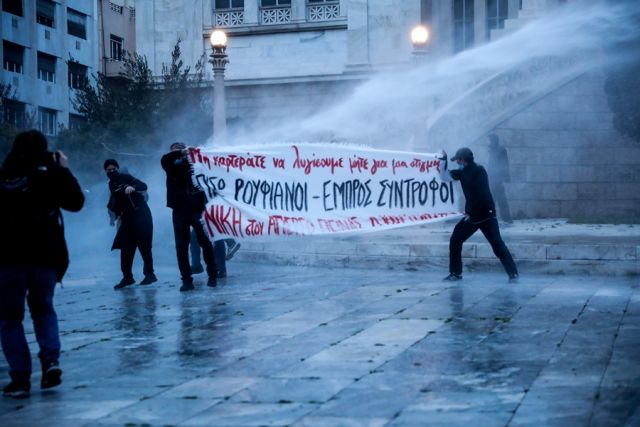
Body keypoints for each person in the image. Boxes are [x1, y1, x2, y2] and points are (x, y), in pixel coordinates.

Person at [0, 130, 85, 398]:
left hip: (8, 260)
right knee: (44, 310)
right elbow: (76, 203)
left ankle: (20, 378)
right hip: (45, 258)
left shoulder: (5, 174)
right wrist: (63, 170)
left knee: (10, 319)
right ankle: (50, 361)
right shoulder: (50, 174)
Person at [440, 147, 519, 282]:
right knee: (455, 240)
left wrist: (472, 213)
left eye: (458, 160)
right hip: (474, 216)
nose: (457, 163)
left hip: (485, 214)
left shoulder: (479, 170)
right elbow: (445, 176)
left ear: (463, 160)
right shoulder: (462, 172)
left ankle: (513, 273)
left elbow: (482, 194)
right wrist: (443, 161)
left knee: (497, 244)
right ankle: (455, 273)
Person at [161, 142, 217, 291]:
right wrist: (182, 152)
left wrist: (192, 154)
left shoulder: (195, 163)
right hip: (179, 211)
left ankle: (212, 275)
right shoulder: (168, 164)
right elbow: (166, 159)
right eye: (174, 150)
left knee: (205, 242)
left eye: (179, 149)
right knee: (181, 247)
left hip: (197, 209)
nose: (177, 153)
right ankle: (186, 280)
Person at [104, 159, 157, 290]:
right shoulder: (111, 184)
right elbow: (115, 200)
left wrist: (132, 187)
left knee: (144, 246)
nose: (111, 172)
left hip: (141, 214)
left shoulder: (126, 177)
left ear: (118, 168)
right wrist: (115, 215)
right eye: (108, 170)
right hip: (127, 218)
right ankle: (127, 277)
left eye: (113, 169)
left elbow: (143, 186)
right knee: (126, 248)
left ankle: (150, 274)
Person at [487, 134, 513, 223]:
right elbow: (491, 164)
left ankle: (504, 218)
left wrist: (506, 177)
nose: (488, 142)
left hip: (497, 178)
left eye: (490, 140)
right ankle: (505, 218)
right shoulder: (491, 150)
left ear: (494, 140)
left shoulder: (501, 150)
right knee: (498, 199)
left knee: (498, 199)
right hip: (492, 177)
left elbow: (505, 164)